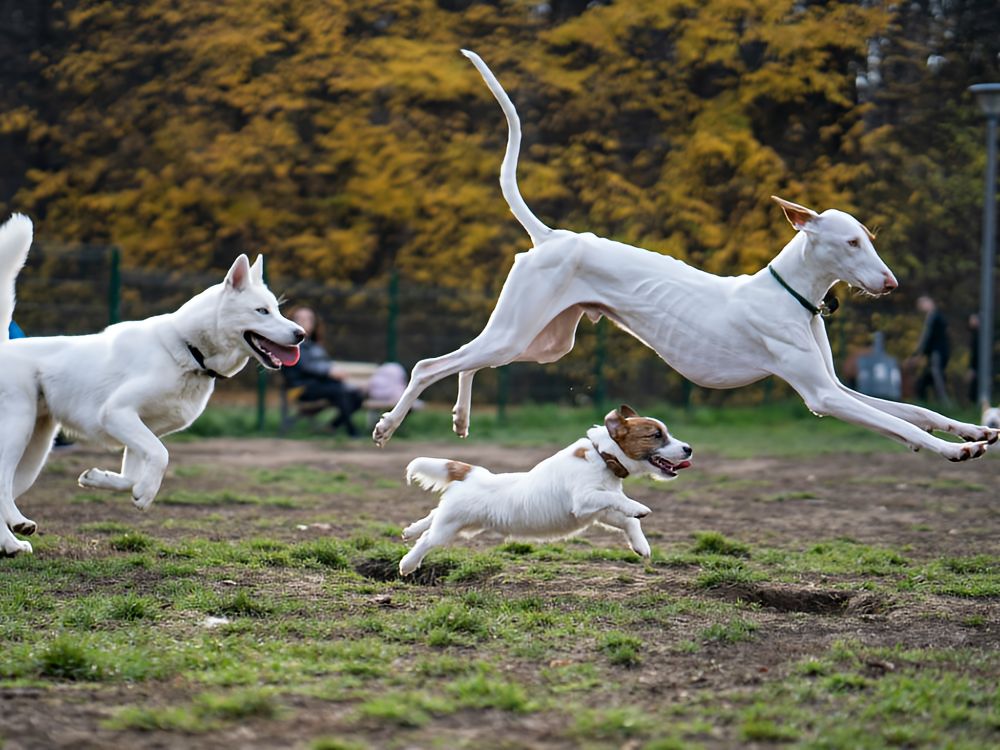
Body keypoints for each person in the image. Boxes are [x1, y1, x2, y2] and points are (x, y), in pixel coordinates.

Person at [284, 306, 365, 436]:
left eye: (309, 319)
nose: (305, 322)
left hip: (321, 385)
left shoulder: (314, 344)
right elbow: (304, 366)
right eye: (301, 319)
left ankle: (332, 426)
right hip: (300, 388)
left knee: (357, 394)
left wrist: (336, 372)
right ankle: (352, 432)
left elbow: (324, 364)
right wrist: (329, 372)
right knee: (339, 391)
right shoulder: (290, 343)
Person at [909, 295, 950, 404]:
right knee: (927, 377)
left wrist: (918, 355)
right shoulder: (933, 317)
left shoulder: (934, 317)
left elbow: (928, 338)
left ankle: (945, 403)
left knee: (937, 376)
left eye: (923, 303)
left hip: (937, 353)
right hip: (935, 353)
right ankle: (926, 402)